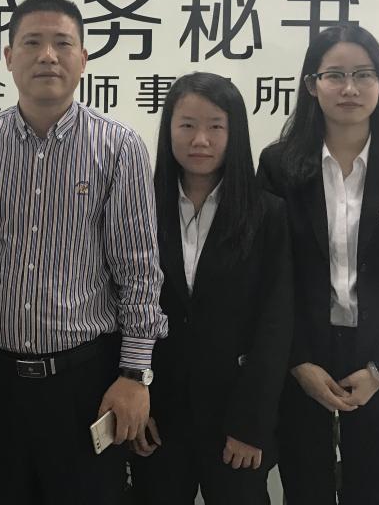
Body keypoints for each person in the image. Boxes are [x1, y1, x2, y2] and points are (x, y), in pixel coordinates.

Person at [0, 0, 168, 505]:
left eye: (63, 43)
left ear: (83, 58)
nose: (48, 55)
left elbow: (139, 272)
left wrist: (134, 375)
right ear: (8, 57)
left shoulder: (119, 147)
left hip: (86, 382)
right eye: (32, 43)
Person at [257, 24, 379, 505]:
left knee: (374, 493)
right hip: (305, 355)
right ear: (311, 84)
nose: (349, 88)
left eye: (364, 74)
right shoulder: (279, 166)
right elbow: (270, 274)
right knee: (305, 491)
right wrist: (298, 360)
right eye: (335, 75)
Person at [130, 72, 292, 505]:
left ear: (234, 133)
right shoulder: (139, 206)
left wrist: (251, 423)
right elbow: (120, 306)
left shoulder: (267, 214)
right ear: (168, 130)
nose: (200, 139)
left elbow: (275, 325)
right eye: (187, 125)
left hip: (234, 417)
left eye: (216, 126)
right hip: (157, 415)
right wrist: (135, 397)